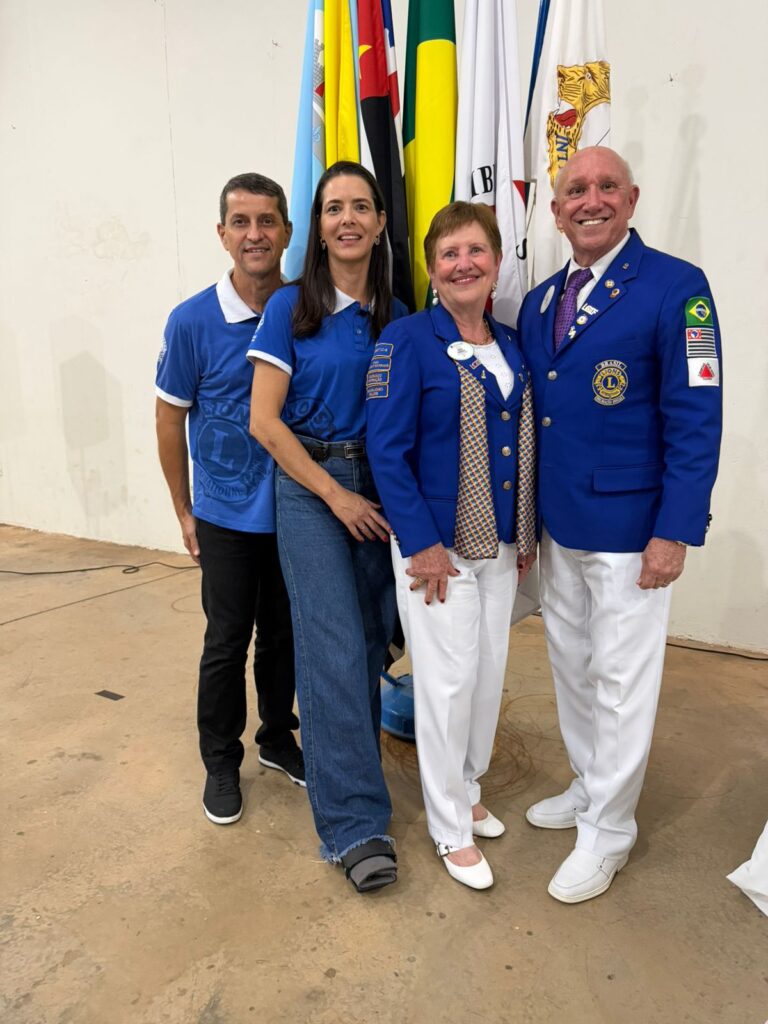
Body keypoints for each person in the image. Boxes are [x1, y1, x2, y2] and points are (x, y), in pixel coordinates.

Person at [518, 146, 722, 903]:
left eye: (607, 186)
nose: (591, 200)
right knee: (572, 668)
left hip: (634, 530)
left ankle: (609, 830)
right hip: (559, 525)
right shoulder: (541, 302)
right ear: (556, 210)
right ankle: (588, 783)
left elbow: (696, 416)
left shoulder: (677, 288)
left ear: (631, 200)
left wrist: (675, 530)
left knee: (621, 683)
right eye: (576, 190)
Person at [366, 202, 537, 890]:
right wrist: (421, 544)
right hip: (435, 547)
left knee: (488, 674)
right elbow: (386, 450)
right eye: (449, 254)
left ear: (495, 261)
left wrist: (524, 527)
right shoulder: (405, 340)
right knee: (446, 682)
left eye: (475, 251)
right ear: (432, 268)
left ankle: (467, 788)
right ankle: (447, 827)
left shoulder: (512, 343)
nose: (463, 264)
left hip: (500, 541)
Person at [247, 161, 408, 893]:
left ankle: (354, 776)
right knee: (334, 647)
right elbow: (264, 422)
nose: (347, 219)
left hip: (380, 486)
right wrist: (336, 496)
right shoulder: (291, 307)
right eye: (333, 207)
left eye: (360, 206)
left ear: (380, 223)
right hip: (312, 488)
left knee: (372, 641)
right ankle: (354, 825)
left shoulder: (397, 315)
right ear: (317, 227)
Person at [155, 173, 304, 828]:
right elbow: (168, 420)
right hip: (224, 519)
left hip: (294, 513)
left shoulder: (304, 310)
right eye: (241, 222)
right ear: (222, 234)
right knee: (226, 640)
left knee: (283, 636)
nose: (255, 234)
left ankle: (276, 738)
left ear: (287, 232)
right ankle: (220, 759)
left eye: (267, 221)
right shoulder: (191, 321)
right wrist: (184, 511)